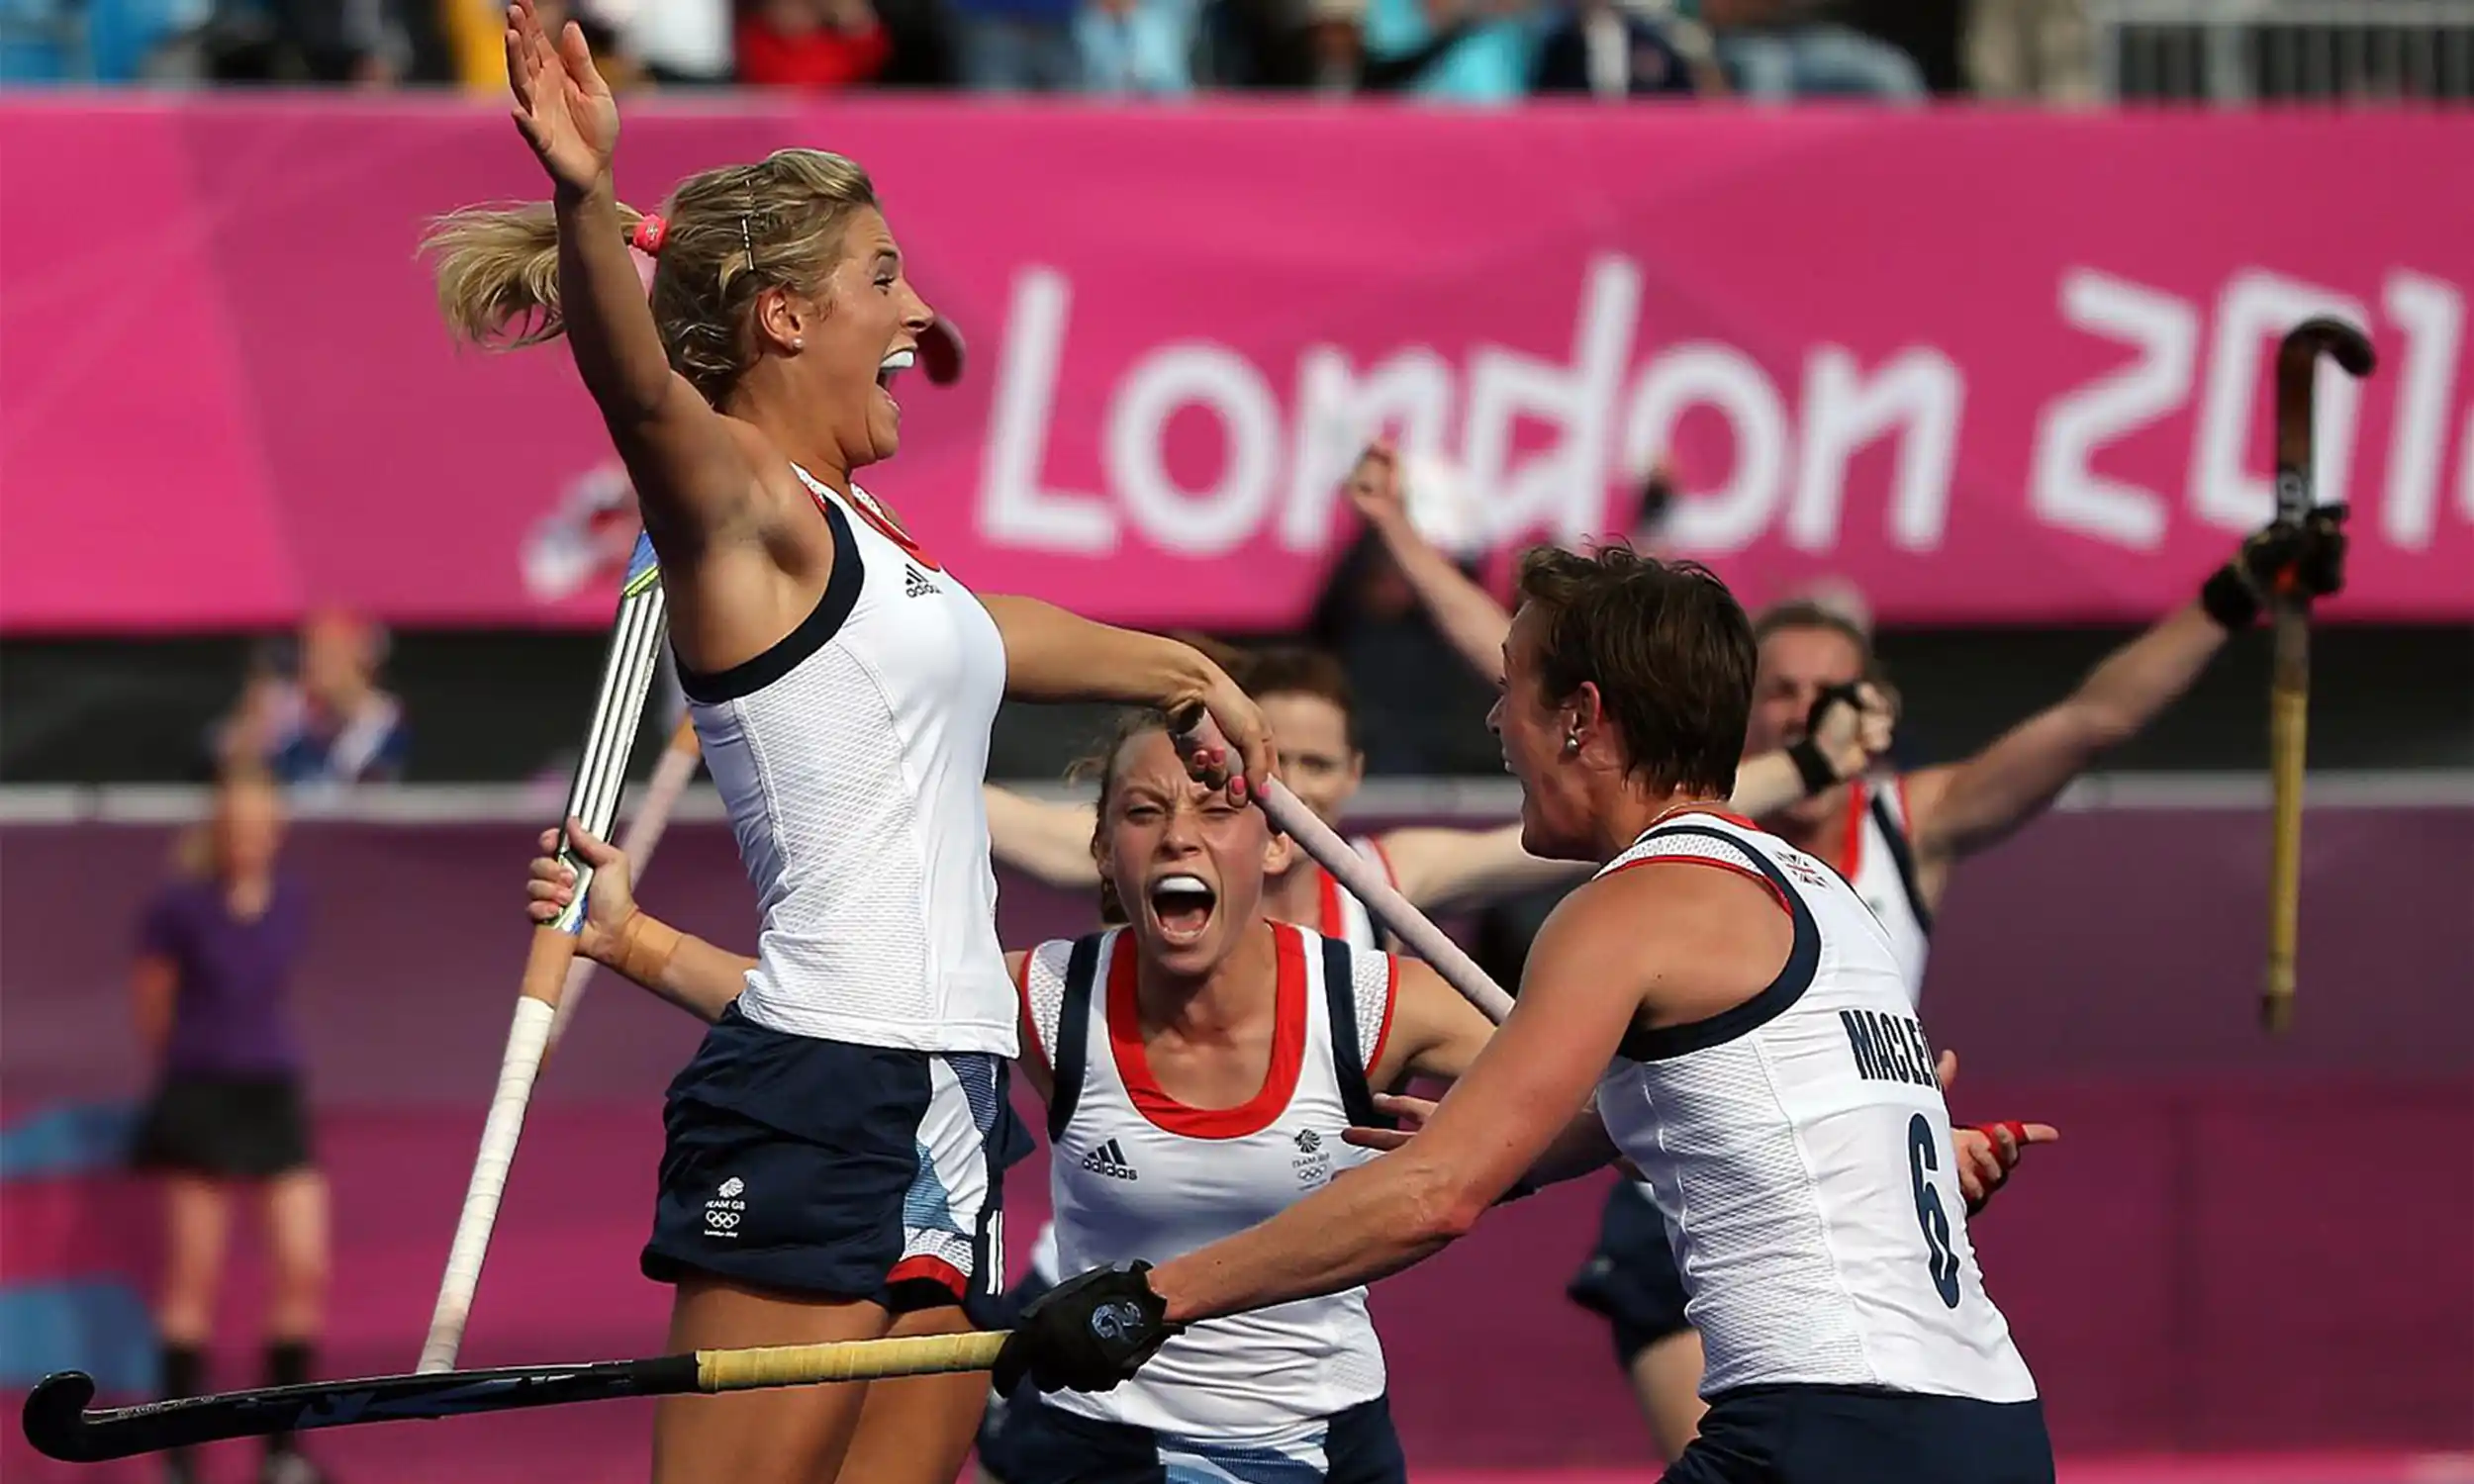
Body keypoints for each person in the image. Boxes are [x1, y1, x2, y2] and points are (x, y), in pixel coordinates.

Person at [422, 9, 1272, 1482]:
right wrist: (582, 197)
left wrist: (1183, 670)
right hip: (820, 1084)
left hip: (952, 1085)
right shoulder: (739, 505)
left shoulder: (874, 541)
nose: (915, 309)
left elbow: (1001, 634)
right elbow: (639, 397)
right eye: (883, 277)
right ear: (785, 318)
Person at [994, 545, 2058, 1483]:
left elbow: (1431, 1200)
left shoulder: (1629, 909)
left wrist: (1148, 1300)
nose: (1498, 725)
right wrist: (1531, 1150)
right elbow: (1742, 1109)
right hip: (1992, 1423)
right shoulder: (1819, 891)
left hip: (1832, 1432)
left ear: (1582, 717)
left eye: (1510, 692)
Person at [525, 709, 1499, 1482]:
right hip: (1091, 1443)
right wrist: (627, 940)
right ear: (1104, 854)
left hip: (1320, 1443)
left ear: (1277, 847)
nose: (1178, 839)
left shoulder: (1375, 1003)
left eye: (1214, 809)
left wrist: (1510, 1147)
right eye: (1143, 812)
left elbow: (1609, 1096)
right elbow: (825, 1015)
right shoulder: (1048, 995)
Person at [128, 768, 331, 1484]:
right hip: (200, 1098)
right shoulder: (179, 908)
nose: (248, 840)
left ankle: (282, 1453)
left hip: (271, 1096)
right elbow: (153, 1005)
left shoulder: (292, 902)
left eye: (259, 826)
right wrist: (188, 1074)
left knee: (303, 1267)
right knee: (193, 1280)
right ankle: (179, 1459)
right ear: (219, 832)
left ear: (276, 831)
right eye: (235, 827)